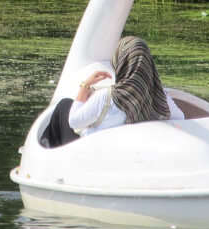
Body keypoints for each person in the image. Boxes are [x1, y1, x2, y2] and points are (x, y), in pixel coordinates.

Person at [41, 36, 184, 148]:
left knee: (64, 106)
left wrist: (85, 87)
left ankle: (48, 159)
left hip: (95, 154)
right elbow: (180, 118)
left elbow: (74, 122)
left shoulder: (108, 97)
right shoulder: (160, 97)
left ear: (121, 62)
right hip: (134, 152)